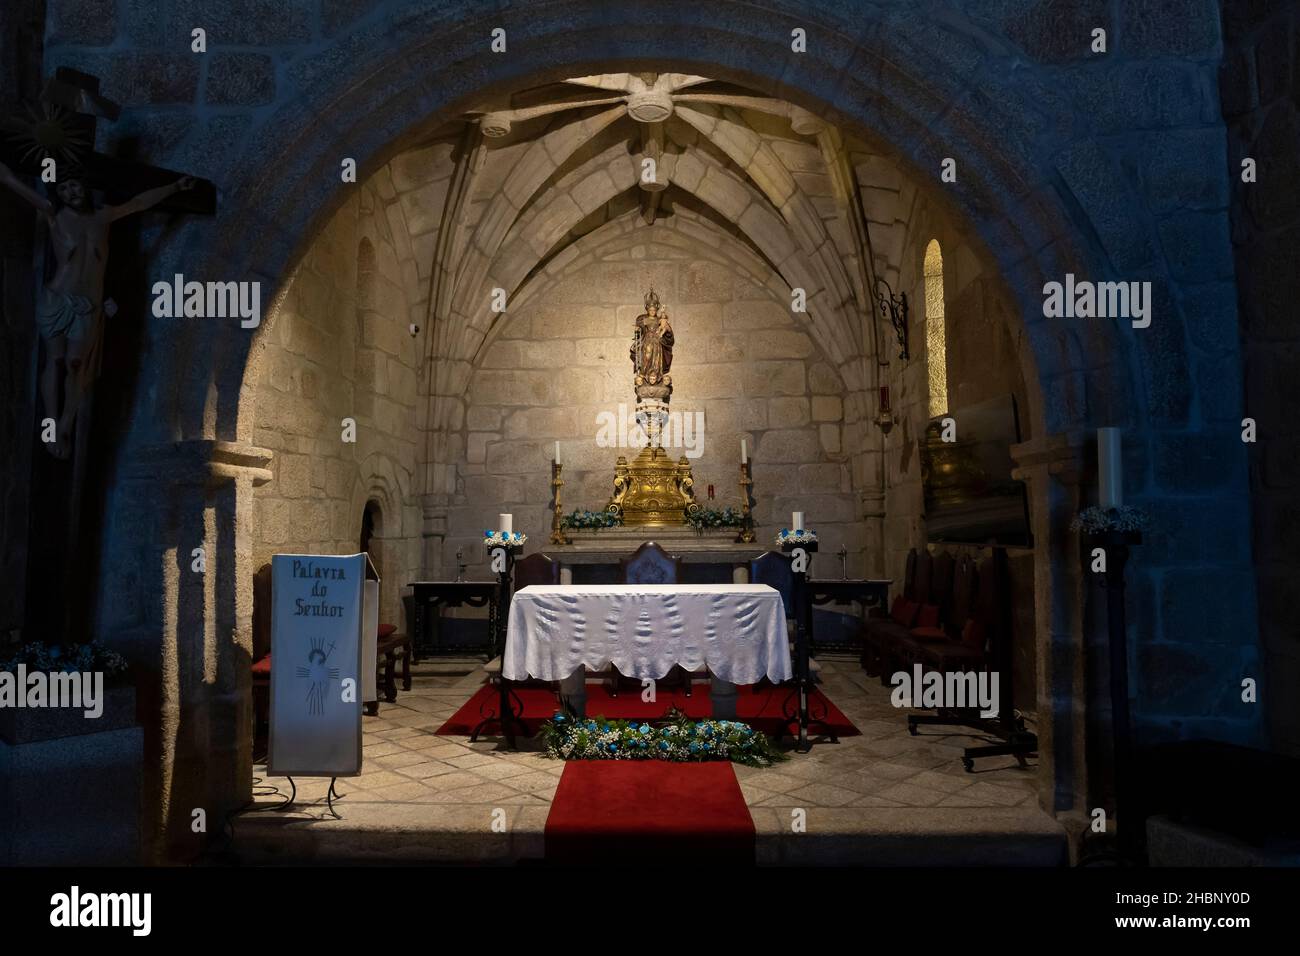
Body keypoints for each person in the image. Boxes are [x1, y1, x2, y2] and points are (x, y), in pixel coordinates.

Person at [0, 160, 194, 457]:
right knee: (55, 361)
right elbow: (19, 187)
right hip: (56, 299)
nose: (70, 192)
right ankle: (51, 423)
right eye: (63, 188)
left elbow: (139, 202)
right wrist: (6, 173)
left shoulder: (103, 216)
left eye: (74, 185)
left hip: (88, 305)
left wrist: (175, 186)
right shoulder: (55, 215)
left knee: (77, 364)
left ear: (85, 186)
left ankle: (65, 423)